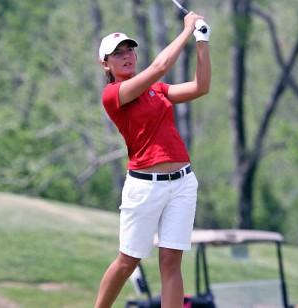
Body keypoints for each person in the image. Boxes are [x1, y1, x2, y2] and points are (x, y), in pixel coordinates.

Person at [94, 11, 211, 308]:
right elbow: (160, 66)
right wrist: (185, 30)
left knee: (171, 262)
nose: (126, 56)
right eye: (117, 54)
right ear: (106, 65)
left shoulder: (157, 91)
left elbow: (201, 87)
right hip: (145, 188)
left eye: (129, 50)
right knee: (128, 261)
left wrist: (202, 40)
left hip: (183, 183)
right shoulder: (114, 95)